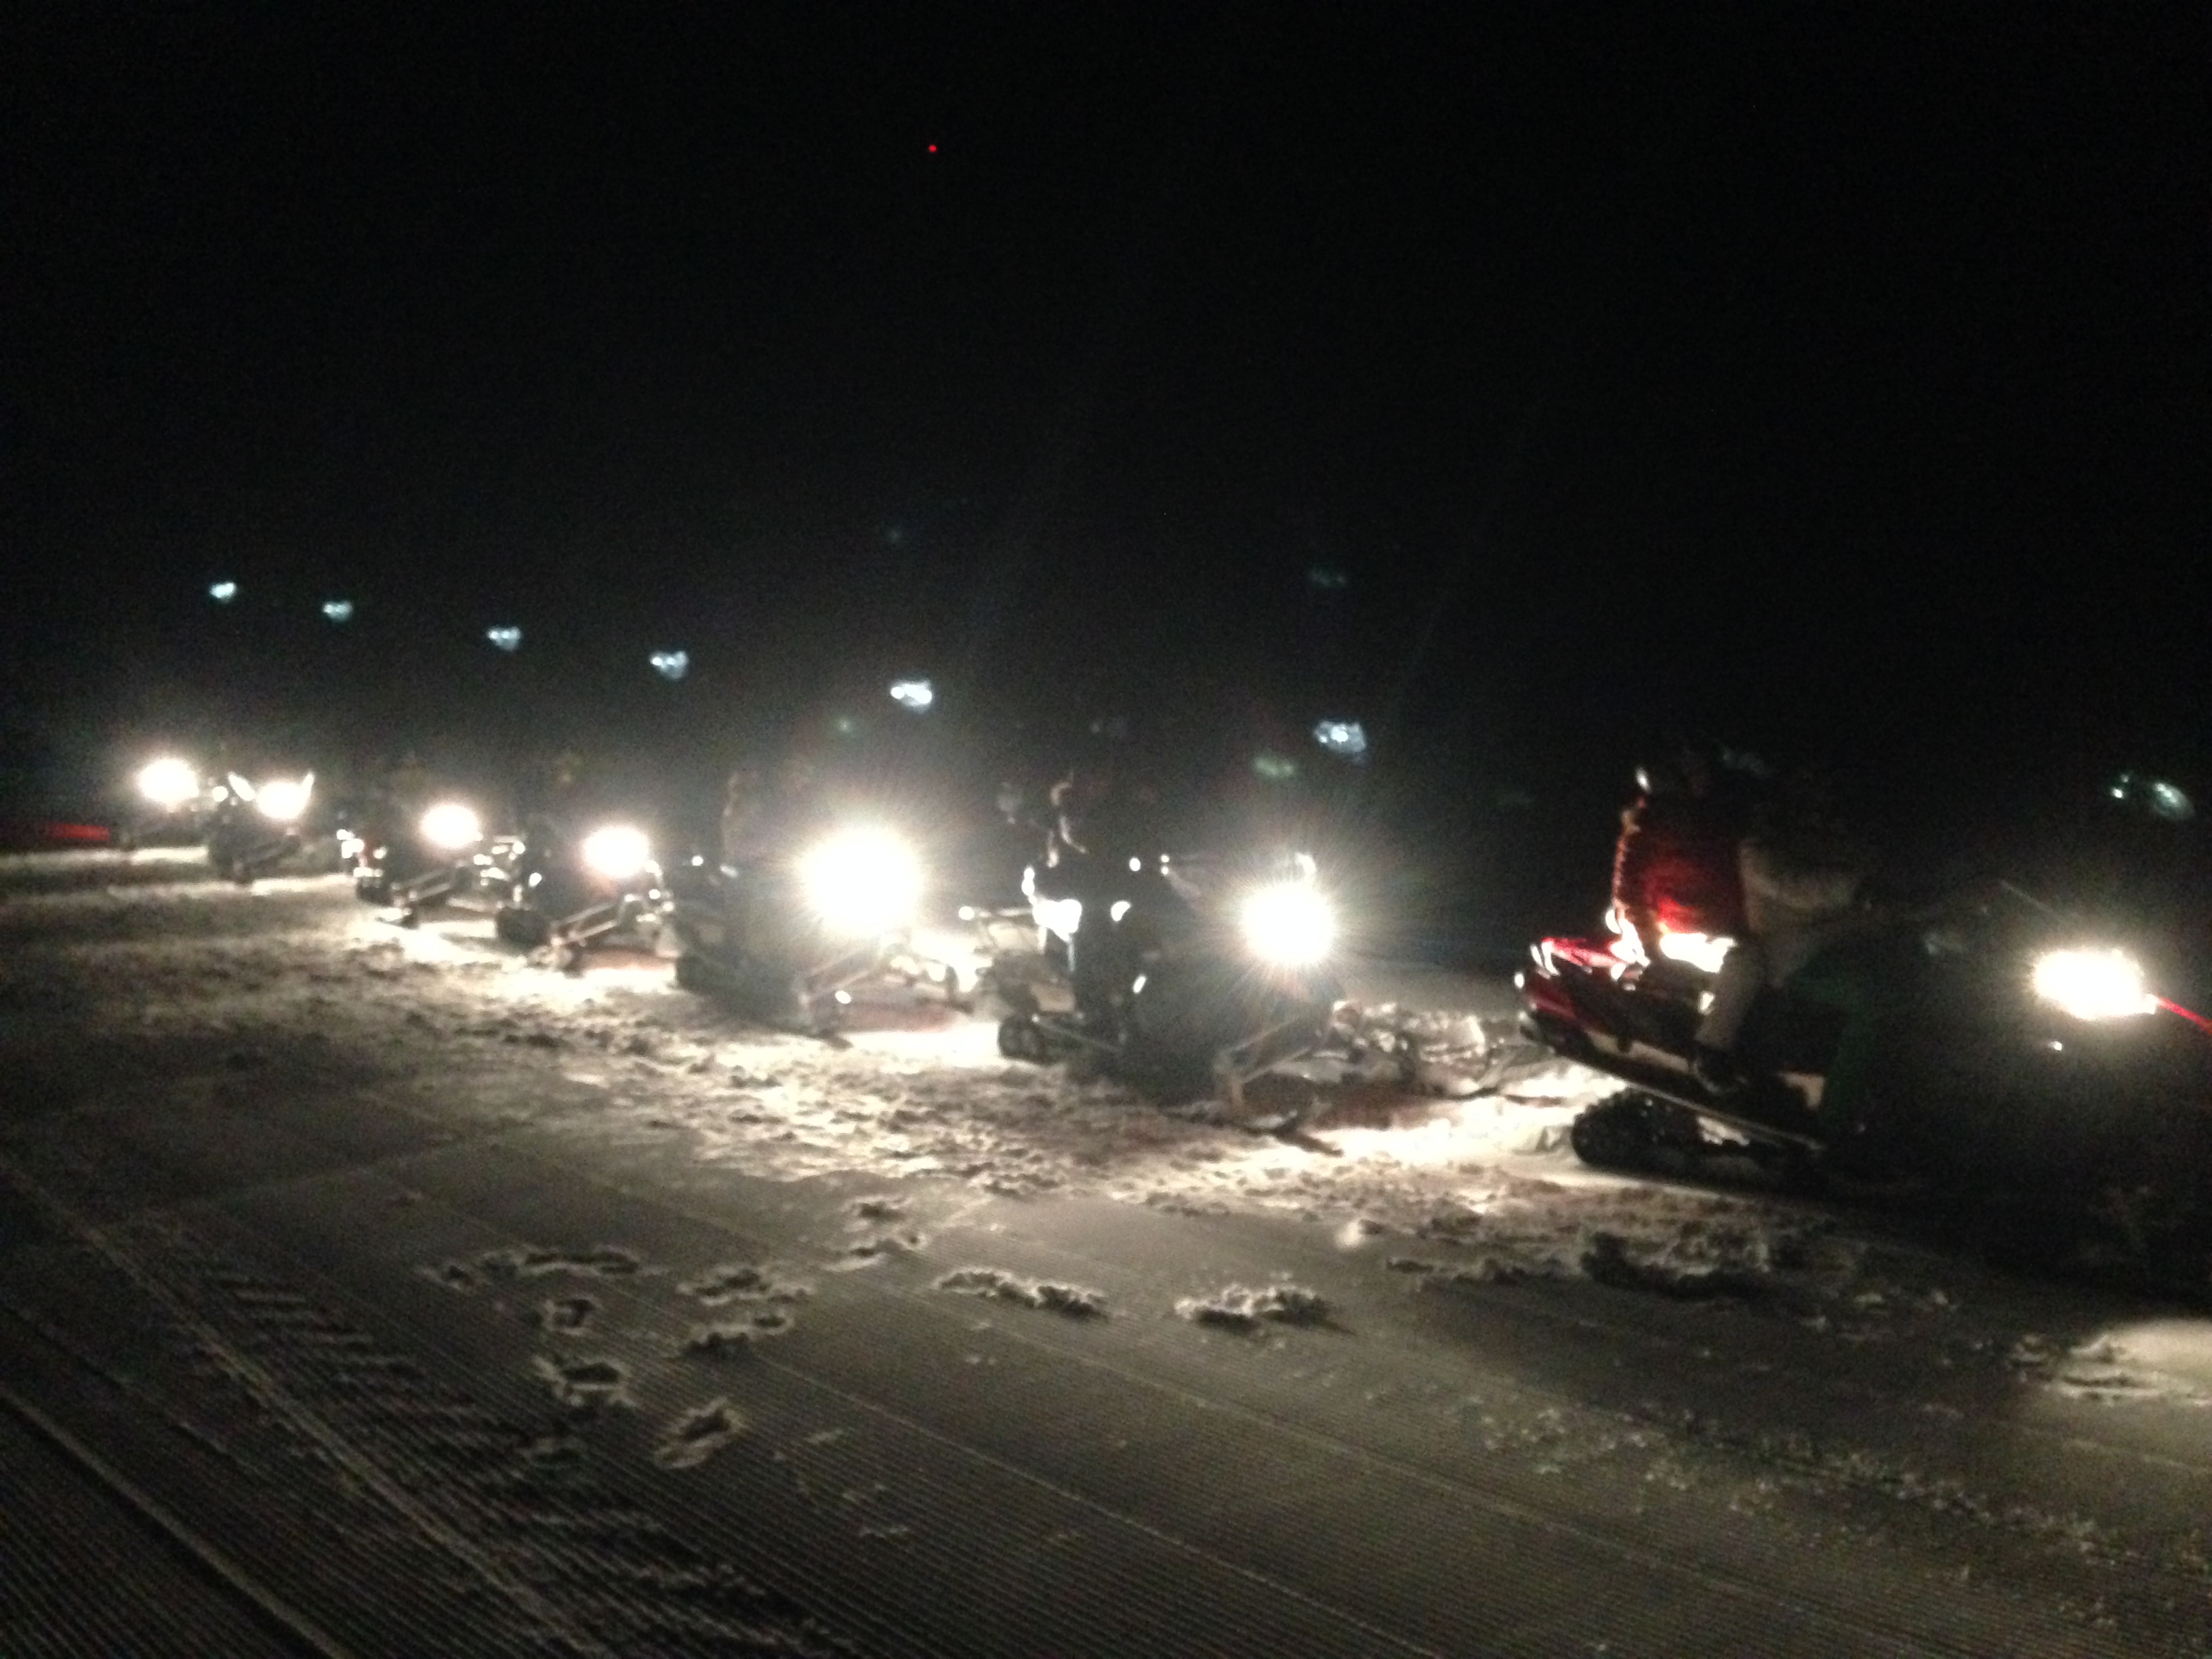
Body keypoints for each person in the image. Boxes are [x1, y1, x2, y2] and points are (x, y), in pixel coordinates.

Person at [1609, 743, 1753, 965]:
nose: (1702, 777)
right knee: (1744, 963)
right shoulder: (1648, 830)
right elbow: (1629, 894)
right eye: (1691, 772)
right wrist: (1651, 950)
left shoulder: (1714, 816)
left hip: (1729, 923)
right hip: (1686, 932)